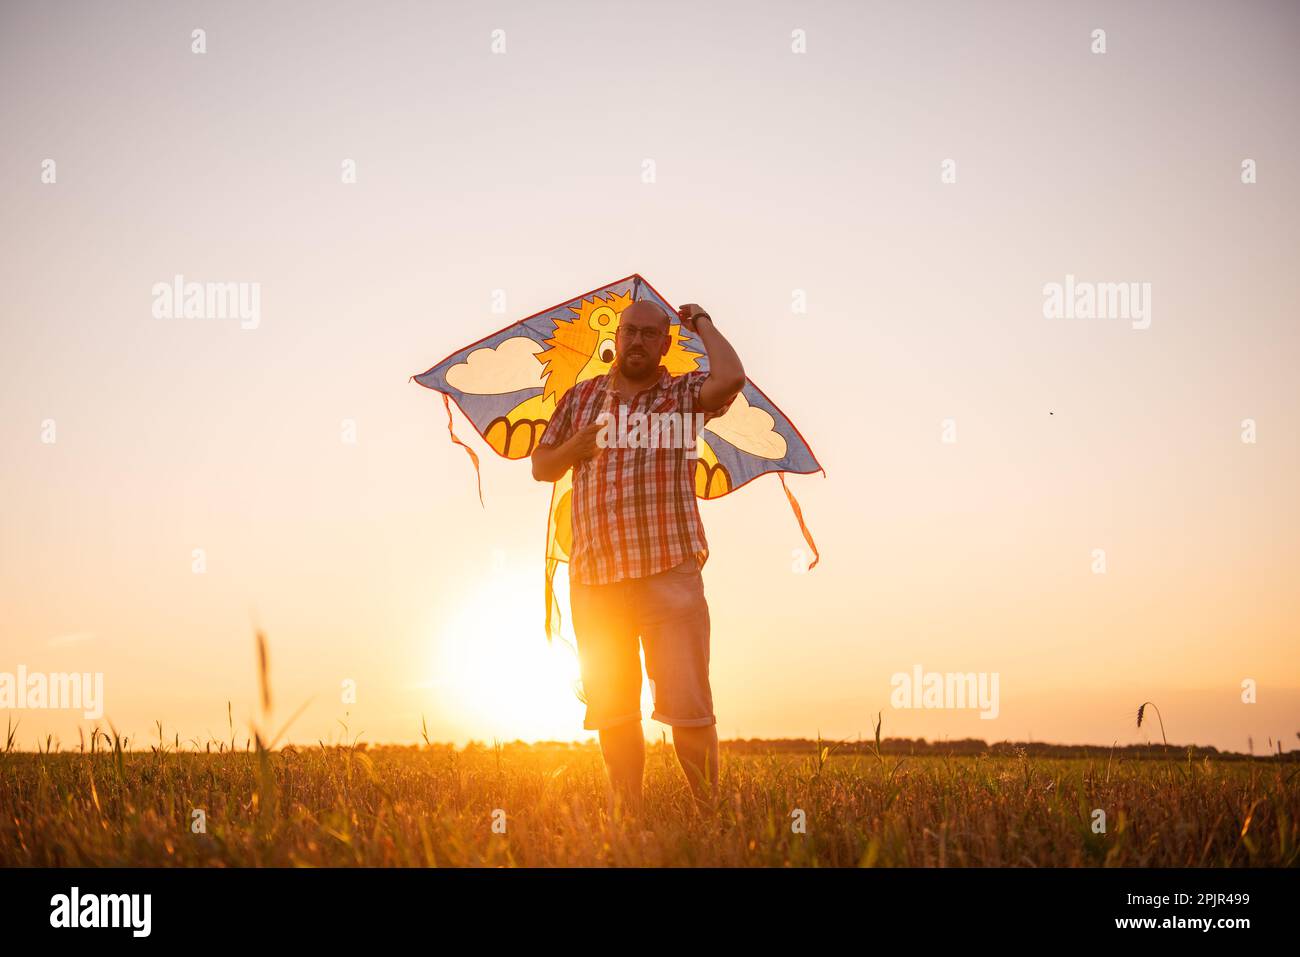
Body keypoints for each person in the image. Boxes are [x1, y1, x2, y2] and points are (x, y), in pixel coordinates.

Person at [530, 299, 745, 815]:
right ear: (616, 337)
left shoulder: (681, 394)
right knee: (613, 708)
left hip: (668, 572)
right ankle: (627, 813)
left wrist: (703, 323)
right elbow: (542, 466)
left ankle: (709, 812)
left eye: (651, 334)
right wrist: (574, 450)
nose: (638, 342)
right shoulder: (581, 398)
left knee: (689, 706)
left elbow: (732, 378)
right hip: (595, 577)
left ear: (666, 344)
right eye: (630, 332)